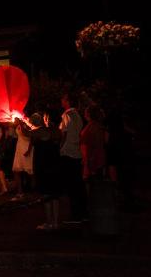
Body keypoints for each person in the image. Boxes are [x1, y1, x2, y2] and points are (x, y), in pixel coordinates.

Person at [24, 111, 62, 230]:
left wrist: (20, 123)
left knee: (46, 194)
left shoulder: (42, 131)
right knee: (54, 195)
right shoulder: (56, 131)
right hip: (55, 165)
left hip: (45, 166)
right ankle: (55, 222)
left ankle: (49, 222)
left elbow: (27, 133)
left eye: (45, 117)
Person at [59, 93, 87, 223]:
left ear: (68, 101)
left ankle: (76, 215)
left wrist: (60, 147)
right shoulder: (78, 115)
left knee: (71, 185)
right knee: (78, 184)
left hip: (68, 152)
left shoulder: (67, 115)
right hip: (77, 151)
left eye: (63, 99)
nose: (61, 101)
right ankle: (83, 213)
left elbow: (64, 133)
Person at [80, 105, 107, 181]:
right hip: (97, 158)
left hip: (91, 159)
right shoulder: (99, 126)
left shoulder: (90, 128)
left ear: (89, 114)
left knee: (90, 181)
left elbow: (86, 146)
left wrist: (86, 164)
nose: (84, 114)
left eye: (85, 112)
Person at [12, 117, 34, 199]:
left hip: (26, 148)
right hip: (19, 149)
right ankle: (20, 191)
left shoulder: (26, 125)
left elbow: (30, 137)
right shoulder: (18, 126)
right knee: (16, 170)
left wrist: (29, 150)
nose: (14, 120)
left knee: (30, 171)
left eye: (15, 119)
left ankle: (34, 192)